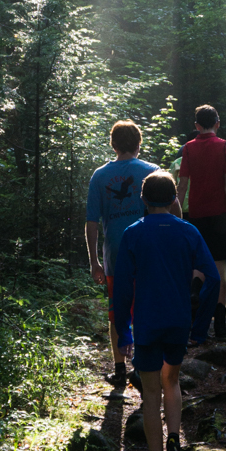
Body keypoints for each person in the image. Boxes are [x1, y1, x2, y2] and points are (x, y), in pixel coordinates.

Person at [112, 171, 220, 451]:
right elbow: (213, 278)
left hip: (146, 325)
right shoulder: (188, 231)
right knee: (171, 380)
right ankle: (175, 440)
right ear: (176, 199)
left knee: (150, 394)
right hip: (178, 323)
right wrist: (199, 325)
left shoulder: (133, 234)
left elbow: (121, 292)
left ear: (143, 200)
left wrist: (123, 332)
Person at [85, 120, 156, 390]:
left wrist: (94, 261)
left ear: (113, 144)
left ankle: (119, 369)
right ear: (139, 143)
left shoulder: (99, 176)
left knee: (118, 312)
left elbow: (91, 222)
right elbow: (172, 209)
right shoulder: (151, 171)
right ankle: (142, 365)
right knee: (145, 308)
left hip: (115, 255)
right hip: (148, 253)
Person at [176, 104, 226, 340]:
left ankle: (194, 312)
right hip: (220, 214)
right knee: (219, 268)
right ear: (217, 124)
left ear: (197, 126)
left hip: (196, 215)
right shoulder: (225, 147)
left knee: (198, 265)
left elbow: (182, 186)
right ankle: (220, 327)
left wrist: (177, 216)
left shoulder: (188, 149)